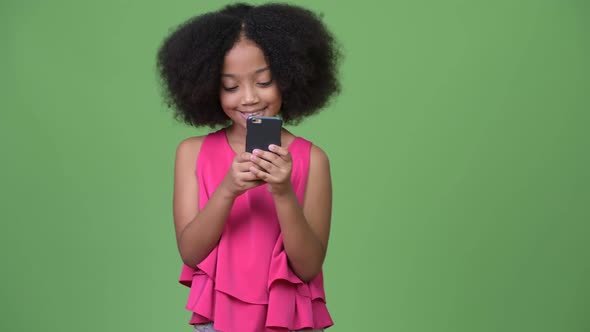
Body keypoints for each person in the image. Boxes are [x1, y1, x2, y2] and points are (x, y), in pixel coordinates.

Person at [156, 3, 341, 331]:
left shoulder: (312, 159)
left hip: (290, 322)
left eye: (264, 81)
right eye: (231, 86)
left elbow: (309, 266)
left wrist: (283, 192)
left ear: (288, 76)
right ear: (209, 88)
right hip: (217, 321)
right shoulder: (192, 153)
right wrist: (227, 189)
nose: (249, 98)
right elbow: (190, 253)